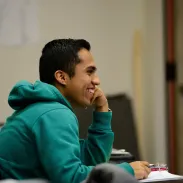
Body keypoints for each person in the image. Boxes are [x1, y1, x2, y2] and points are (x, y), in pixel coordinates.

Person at [0, 39, 150, 183]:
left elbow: (91, 159)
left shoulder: (45, 109)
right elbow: (70, 178)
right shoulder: (54, 113)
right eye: (89, 72)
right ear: (62, 77)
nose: (96, 80)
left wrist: (102, 111)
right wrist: (127, 171)